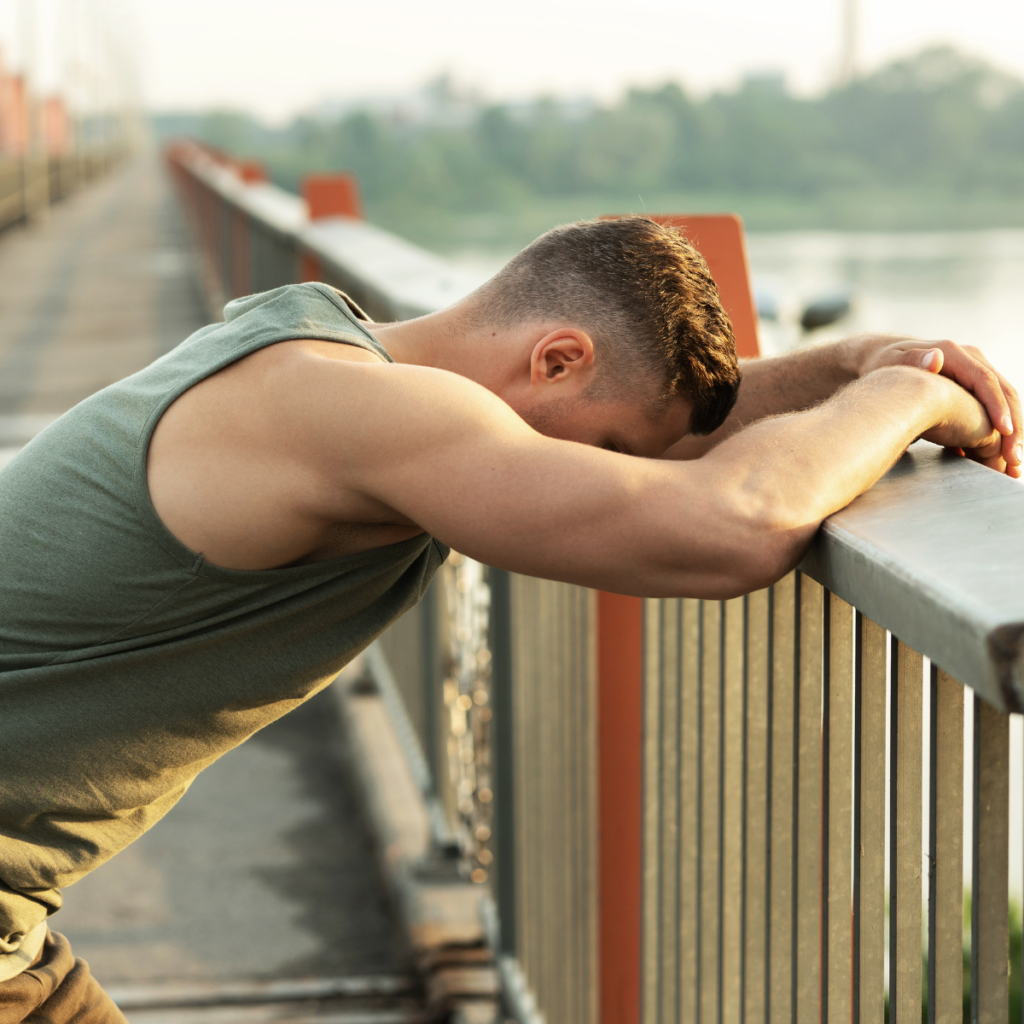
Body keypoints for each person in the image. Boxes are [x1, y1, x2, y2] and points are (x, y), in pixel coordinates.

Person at [0, 215, 1019, 1022]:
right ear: (557, 358)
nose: (615, 472)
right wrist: (905, 397)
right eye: (611, 444)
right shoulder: (355, 412)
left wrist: (852, 361)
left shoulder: (314, 347)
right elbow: (728, 524)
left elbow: (666, 445)